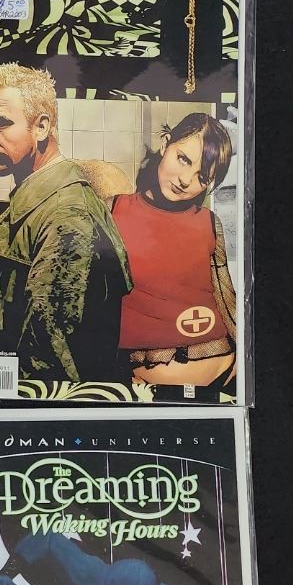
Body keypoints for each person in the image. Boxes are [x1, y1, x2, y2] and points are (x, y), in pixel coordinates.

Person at [0, 63, 132, 383]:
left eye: (0, 124)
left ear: (41, 127)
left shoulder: (67, 217)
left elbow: (48, 362)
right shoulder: (41, 202)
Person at [109, 112, 237, 389]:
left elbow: (226, 296)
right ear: (165, 143)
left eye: (202, 177)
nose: (185, 180)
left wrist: (246, 357)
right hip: (145, 382)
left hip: (224, 371)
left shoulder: (209, 222)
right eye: (183, 159)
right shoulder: (113, 209)